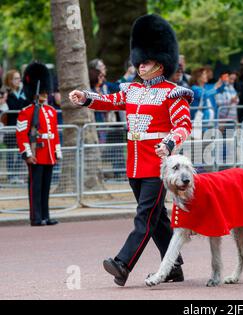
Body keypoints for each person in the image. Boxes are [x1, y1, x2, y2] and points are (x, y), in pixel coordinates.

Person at [69, 14, 192, 287]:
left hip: (158, 165)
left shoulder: (174, 93)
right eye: (139, 60)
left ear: (160, 64)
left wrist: (169, 144)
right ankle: (174, 266)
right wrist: (86, 97)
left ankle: (123, 263)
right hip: (134, 163)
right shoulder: (132, 90)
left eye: (145, 61)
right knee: (157, 217)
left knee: (144, 217)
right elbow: (109, 100)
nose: (139, 64)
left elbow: (184, 125)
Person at [16, 62, 61, 227]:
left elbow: (54, 134)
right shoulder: (26, 111)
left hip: (48, 155)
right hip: (36, 154)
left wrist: (57, 151)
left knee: (46, 187)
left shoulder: (51, 111)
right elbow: (21, 135)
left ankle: (46, 215)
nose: (45, 95)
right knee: (35, 188)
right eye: (42, 93)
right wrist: (27, 153)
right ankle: (36, 217)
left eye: (45, 92)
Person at [4, 69, 29, 184]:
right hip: (10, 126)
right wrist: (21, 102)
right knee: (10, 152)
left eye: (19, 78)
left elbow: (26, 106)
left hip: (22, 126)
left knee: (21, 151)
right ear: (10, 80)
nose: (19, 80)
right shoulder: (6, 94)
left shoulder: (23, 92)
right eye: (16, 78)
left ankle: (17, 175)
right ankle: (10, 176)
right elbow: (13, 107)